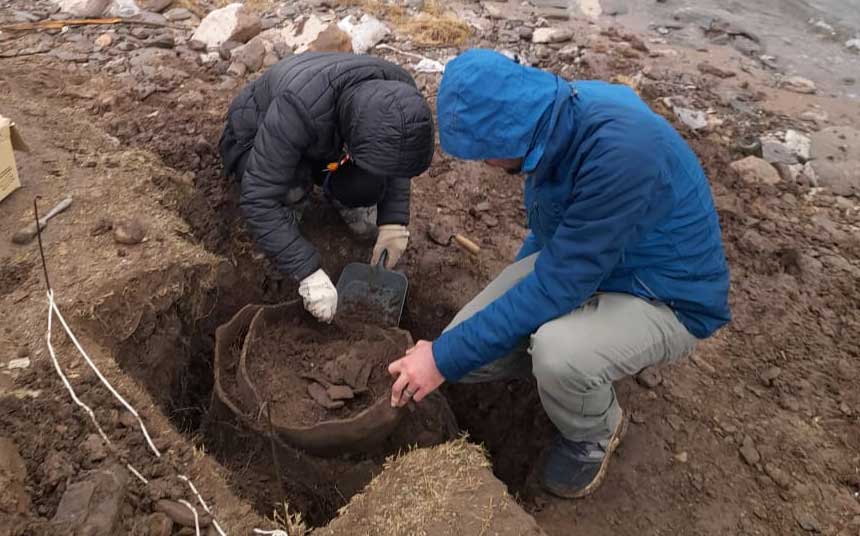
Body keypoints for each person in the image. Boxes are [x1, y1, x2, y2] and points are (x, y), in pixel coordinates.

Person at [387, 49, 731, 499]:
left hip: (664, 293)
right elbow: (551, 233)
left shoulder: (620, 152)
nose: (486, 164)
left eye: (487, 153)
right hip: (595, 263)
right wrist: (474, 338)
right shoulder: (550, 121)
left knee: (556, 353)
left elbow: (558, 284)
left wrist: (443, 357)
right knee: (467, 350)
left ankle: (595, 432)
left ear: (511, 133)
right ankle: (565, 377)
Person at [220, 52, 435, 323]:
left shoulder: (400, 94)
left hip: (322, 137)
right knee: (288, 189)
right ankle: (288, 213)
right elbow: (258, 196)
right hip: (255, 132)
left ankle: (336, 193)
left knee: (368, 184)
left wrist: (394, 220)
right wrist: (306, 271)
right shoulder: (296, 107)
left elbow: (396, 162)